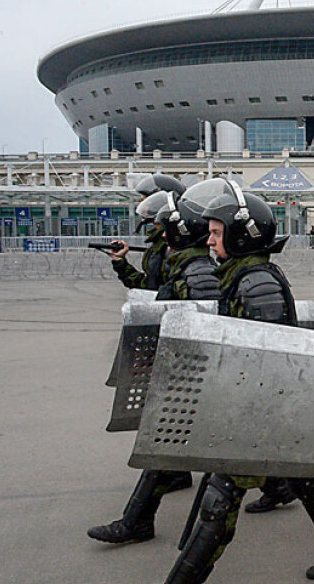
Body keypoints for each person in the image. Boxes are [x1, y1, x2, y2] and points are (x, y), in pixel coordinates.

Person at [164, 181, 314, 583]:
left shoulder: (256, 285)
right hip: (271, 407)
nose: (209, 239)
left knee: (221, 498)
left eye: (218, 232)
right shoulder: (242, 276)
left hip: (263, 409)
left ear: (242, 235)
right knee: (305, 476)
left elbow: (270, 360)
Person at [86, 188, 219, 546]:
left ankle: (136, 522)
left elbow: (207, 327)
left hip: (198, 375)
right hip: (196, 374)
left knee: (168, 443)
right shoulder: (184, 266)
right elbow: (154, 296)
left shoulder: (197, 272)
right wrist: (121, 265)